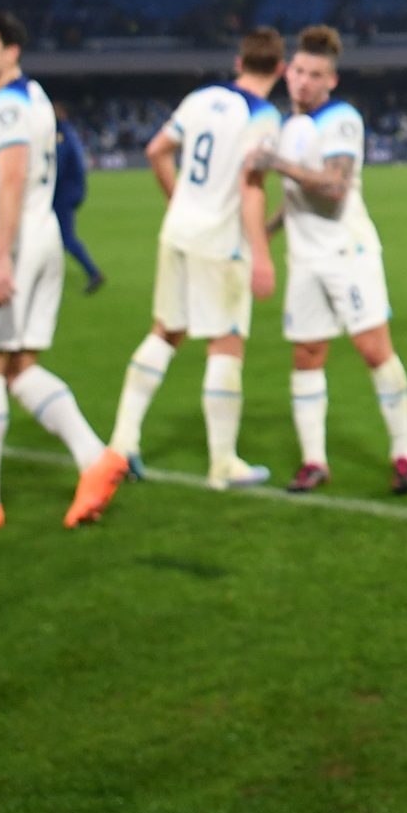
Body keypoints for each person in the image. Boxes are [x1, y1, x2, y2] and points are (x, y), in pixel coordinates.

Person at [0, 12, 130, 532]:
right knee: (18, 367)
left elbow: (12, 177)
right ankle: (94, 457)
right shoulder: (36, 97)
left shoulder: (7, 105)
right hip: (43, 239)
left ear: (12, 50)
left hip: (10, 243)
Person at [106, 30, 284, 489]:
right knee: (225, 343)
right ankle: (223, 464)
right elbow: (250, 188)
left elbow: (156, 151)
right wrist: (261, 255)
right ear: (280, 69)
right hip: (219, 242)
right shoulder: (263, 117)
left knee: (166, 331)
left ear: (238, 60)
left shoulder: (202, 98)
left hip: (179, 231)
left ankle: (122, 443)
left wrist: (179, 200)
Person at [262, 25, 407, 495]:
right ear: (288, 73)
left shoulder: (342, 119)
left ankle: (404, 454)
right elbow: (294, 199)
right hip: (305, 260)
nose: (304, 81)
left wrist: (274, 162)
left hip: (347, 254)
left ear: (331, 80)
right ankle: (314, 461)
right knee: (307, 354)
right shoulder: (290, 127)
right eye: (299, 71)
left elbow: (332, 187)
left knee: (374, 349)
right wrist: (262, 237)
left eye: (315, 74)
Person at [52, 104, 106, 294]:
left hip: (63, 193)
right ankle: (50, 274)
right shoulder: (68, 132)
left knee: (65, 238)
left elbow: (57, 168)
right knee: (56, 237)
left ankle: (93, 272)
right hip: (71, 191)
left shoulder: (60, 135)